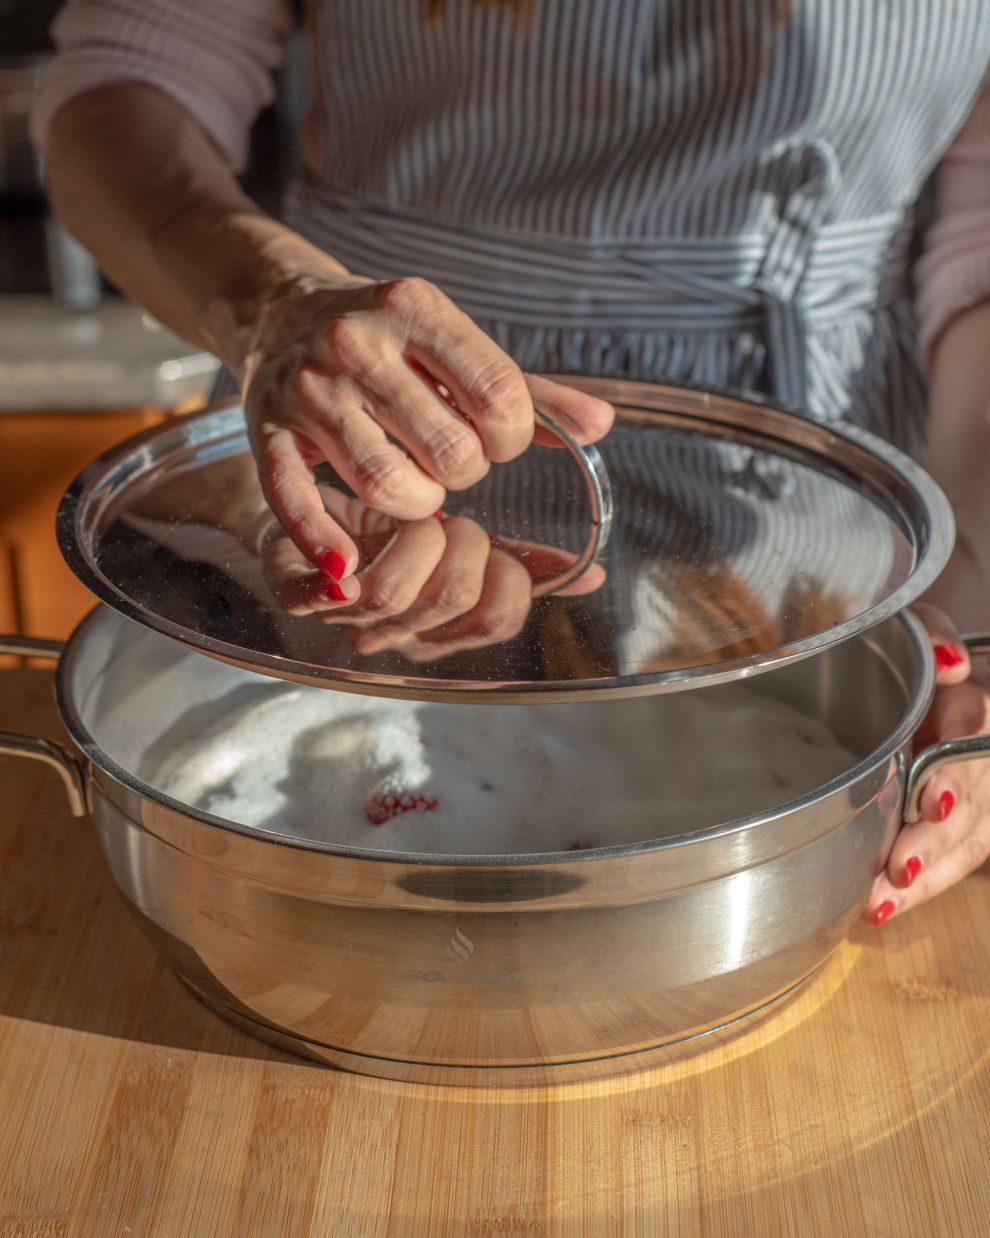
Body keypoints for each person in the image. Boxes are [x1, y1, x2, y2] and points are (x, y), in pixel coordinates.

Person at [30, 0, 990, 924]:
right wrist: (277, 303)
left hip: (833, 509)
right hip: (372, 437)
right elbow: (130, 77)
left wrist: (980, 582)